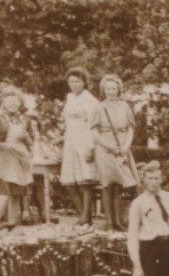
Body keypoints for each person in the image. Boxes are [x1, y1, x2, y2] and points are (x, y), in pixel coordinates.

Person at [89, 74, 138, 231]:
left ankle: (118, 221)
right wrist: (108, 146)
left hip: (122, 146)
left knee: (118, 186)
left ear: (119, 89)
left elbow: (131, 127)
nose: (111, 91)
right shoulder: (99, 107)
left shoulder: (125, 106)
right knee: (107, 185)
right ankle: (109, 222)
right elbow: (94, 131)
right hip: (105, 147)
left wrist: (126, 145)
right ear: (104, 90)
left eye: (114, 88)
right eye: (108, 88)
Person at [0, 90, 34, 228]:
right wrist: (2, 146)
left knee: (17, 193)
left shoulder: (26, 120)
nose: (13, 104)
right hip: (4, 156)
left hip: (20, 157)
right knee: (5, 192)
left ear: (20, 103)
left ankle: (13, 223)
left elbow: (31, 143)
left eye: (15, 101)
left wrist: (26, 138)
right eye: (9, 101)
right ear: (4, 104)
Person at [58, 67, 100, 226]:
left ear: (84, 82)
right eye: (71, 82)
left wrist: (91, 147)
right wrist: (62, 137)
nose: (74, 85)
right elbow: (68, 122)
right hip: (70, 140)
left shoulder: (90, 101)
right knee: (68, 181)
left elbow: (93, 126)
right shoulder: (70, 98)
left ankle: (85, 217)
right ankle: (83, 214)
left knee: (85, 181)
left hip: (85, 139)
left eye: (77, 81)